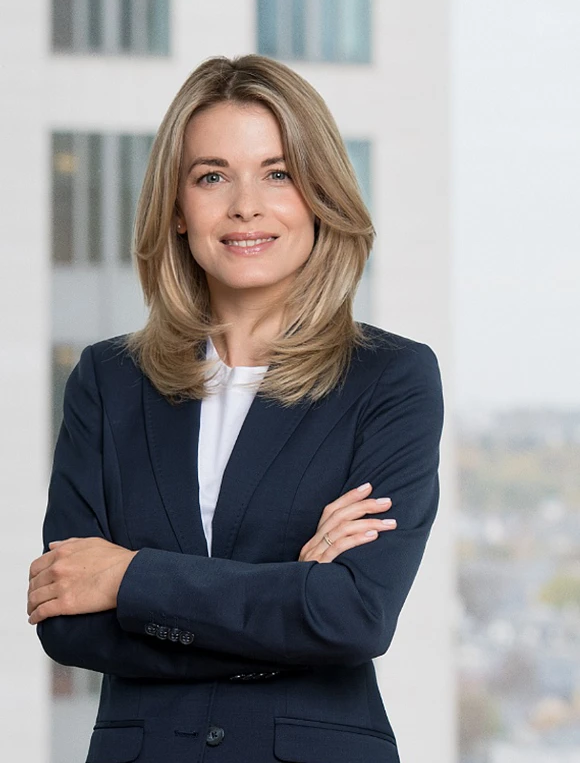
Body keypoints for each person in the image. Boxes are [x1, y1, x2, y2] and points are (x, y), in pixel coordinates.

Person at [27, 55, 443, 763]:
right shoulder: (108, 379)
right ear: (177, 208)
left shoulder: (389, 378)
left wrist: (128, 578)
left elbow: (353, 615)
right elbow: (66, 617)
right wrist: (292, 595)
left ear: (319, 196)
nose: (245, 205)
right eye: (212, 176)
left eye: (277, 173)